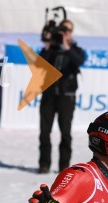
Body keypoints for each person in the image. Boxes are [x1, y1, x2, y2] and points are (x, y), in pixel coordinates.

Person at [38, 19, 86, 174]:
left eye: (68, 30)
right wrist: (47, 44)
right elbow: (39, 65)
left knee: (65, 132)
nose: (65, 32)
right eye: (62, 30)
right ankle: (44, 164)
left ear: (71, 33)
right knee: (45, 131)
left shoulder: (75, 49)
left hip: (67, 96)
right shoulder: (51, 49)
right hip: (49, 94)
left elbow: (79, 61)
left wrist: (66, 46)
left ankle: (64, 165)